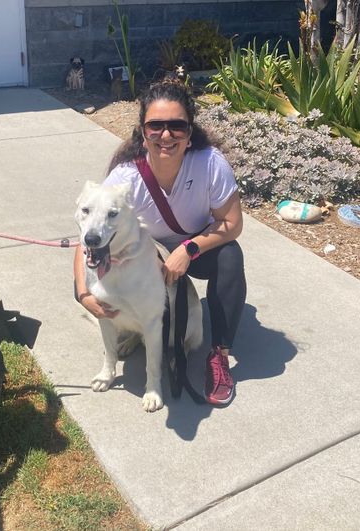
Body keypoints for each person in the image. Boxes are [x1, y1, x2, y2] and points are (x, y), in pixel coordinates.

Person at [74, 80, 246, 406]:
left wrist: (188, 249)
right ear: (143, 131)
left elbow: (232, 224)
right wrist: (83, 294)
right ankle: (137, 330)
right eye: (155, 126)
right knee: (90, 283)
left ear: (189, 131)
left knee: (230, 258)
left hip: (197, 247)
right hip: (148, 251)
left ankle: (219, 354)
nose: (165, 135)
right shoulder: (125, 177)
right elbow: (90, 235)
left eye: (176, 126)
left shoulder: (210, 164)